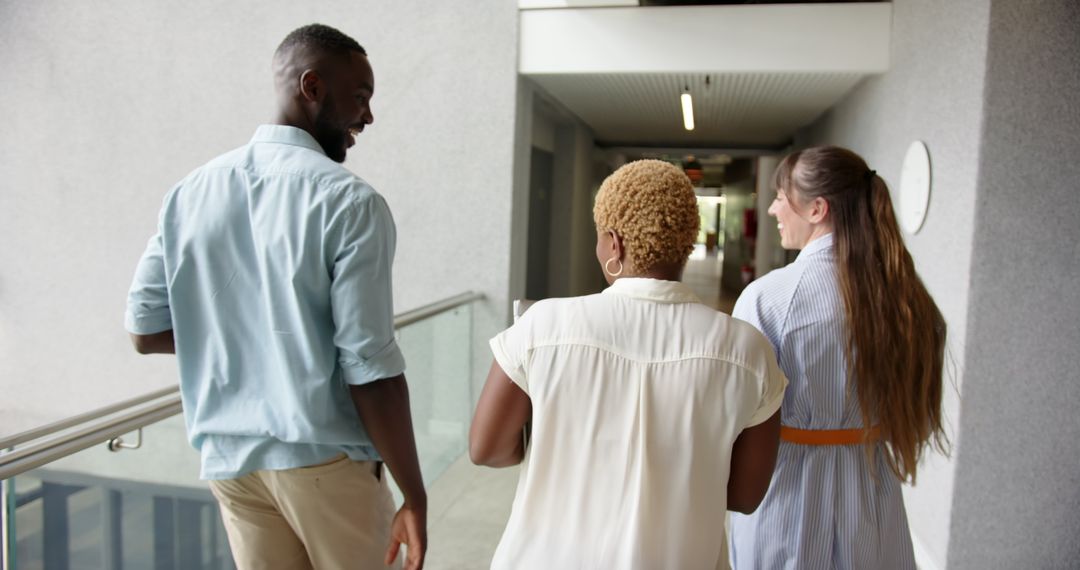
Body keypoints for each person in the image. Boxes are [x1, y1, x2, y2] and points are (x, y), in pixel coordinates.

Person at [125, 24, 426, 570]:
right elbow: (369, 364)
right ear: (312, 87)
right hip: (324, 464)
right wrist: (415, 493)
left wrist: (247, 343)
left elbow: (144, 330)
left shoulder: (189, 193)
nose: (368, 116)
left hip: (231, 465)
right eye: (360, 97)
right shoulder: (350, 203)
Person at [469, 159, 788, 569]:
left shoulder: (542, 326)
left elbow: (486, 449)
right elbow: (745, 495)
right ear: (687, 242)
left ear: (614, 244)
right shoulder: (747, 351)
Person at [728, 146, 948, 570]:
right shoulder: (906, 297)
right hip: (871, 485)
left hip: (786, 489)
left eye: (781, 197)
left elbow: (735, 413)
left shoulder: (769, 299)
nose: (773, 209)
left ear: (817, 209)